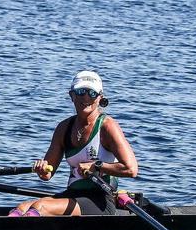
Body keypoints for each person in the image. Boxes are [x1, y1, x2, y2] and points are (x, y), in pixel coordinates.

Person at [11, 70, 138, 216]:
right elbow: (47, 174)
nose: (85, 97)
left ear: (100, 98)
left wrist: (96, 166)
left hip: (100, 201)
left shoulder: (107, 127)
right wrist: (42, 168)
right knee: (21, 208)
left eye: (92, 93)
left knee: (40, 207)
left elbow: (131, 169)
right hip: (72, 195)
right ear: (72, 95)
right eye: (81, 91)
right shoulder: (64, 128)